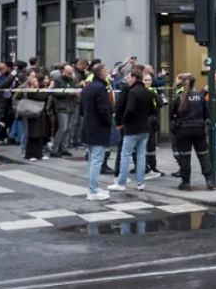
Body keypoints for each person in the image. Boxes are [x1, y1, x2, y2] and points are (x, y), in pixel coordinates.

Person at [111, 67, 154, 191]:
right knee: (141, 155)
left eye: (130, 78)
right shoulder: (148, 92)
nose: (128, 80)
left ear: (134, 78)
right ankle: (140, 183)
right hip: (145, 127)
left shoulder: (132, 92)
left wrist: (123, 122)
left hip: (132, 128)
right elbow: (152, 109)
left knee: (126, 155)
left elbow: (130, 109)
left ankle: (121, 182)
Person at [171, 74, 216, 191]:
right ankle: (209, 180)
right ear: (193, 85)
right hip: (199, 130)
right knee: (203, 155)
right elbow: (207, 113)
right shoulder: (200, 97)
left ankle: (186, 183)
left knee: (185, 157)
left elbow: (172, 115)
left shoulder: (179, 97)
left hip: (183, 130)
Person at [81, 62, 114, 200]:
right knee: (96, 160)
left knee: (92, 159)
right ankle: (94, 191)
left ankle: (93, 187)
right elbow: (103, 109)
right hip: (98, 127)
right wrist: (109, 120)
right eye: (106, 70)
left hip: (88, 126)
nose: (107, 72)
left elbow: (82, 109)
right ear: (101, 73)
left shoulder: (88, 88)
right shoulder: (100, 88)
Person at [17, 74, 51, 161]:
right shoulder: (30, 91)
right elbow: (42, 97)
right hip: (32, 113)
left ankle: (39, 154)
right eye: (35, 81)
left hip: (40, 113)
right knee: (33, 134)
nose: (37, 82)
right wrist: (49, 89)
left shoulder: (38, 90)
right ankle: (30, 154)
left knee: (40, 134)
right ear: (31, 83)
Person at [49, 64, 79, 158]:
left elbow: (75, 89)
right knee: (63, 128)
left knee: (69, 128)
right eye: (69, 73)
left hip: (71, 105)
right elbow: (54, 93)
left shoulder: (73, 80)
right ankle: (55, 148)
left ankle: (64, 148)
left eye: (71, 73)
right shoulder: (57, 80)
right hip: (62, 106)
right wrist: (67, 92)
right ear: (64, 72)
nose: (70, 75)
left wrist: (75, 93)